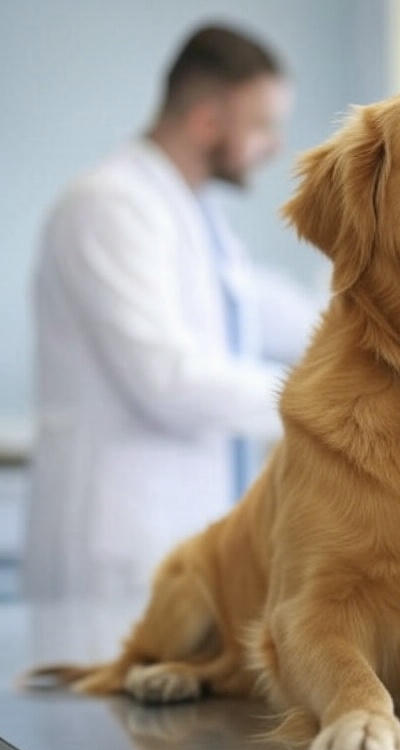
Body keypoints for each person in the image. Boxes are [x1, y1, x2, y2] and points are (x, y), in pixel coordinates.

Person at [25, 25, 318, 599]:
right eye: (262, 126)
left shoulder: (190, 213)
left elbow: (266, 309)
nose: (274, 146)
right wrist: (328, 399)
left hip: (181, 531)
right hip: (119, 545)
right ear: (207, 120)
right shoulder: (109, 205)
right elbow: (166, 380)